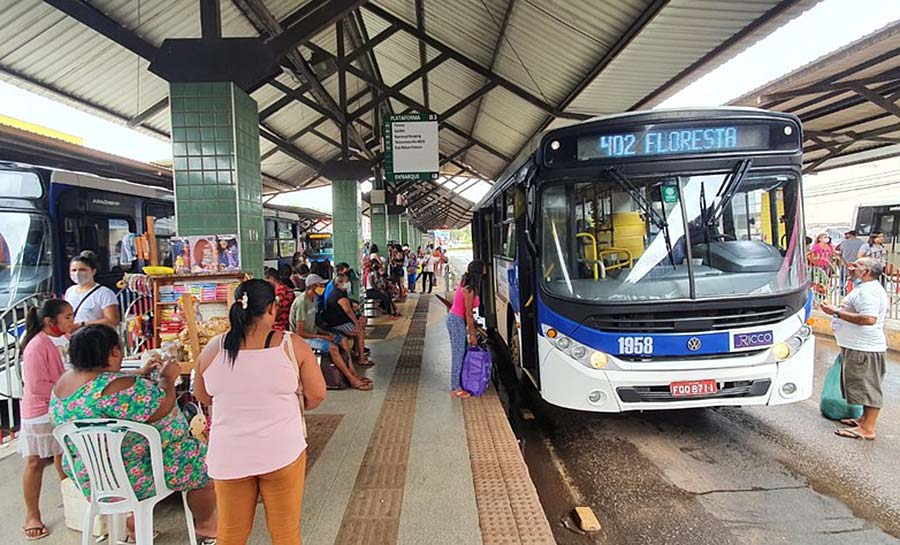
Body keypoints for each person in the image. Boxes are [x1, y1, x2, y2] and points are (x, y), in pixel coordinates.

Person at [50, 325, 217, 543]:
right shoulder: (121, 387)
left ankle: (134, 524)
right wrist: (167, 379)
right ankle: (206, 525)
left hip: (94, 477)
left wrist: (140, 374)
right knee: (208, 462)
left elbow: (105, 387)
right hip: (138, 473)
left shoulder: (62, 385)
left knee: (129, 451)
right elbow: (164, 405)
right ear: (115, 352)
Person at [194, 279, 325, 545]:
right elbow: (317, 394)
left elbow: (202, 396)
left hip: (229, 456)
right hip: (281, 452)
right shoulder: (291, 345)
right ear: (272, 309)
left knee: (231, 535)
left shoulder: (214, 348)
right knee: (285, 533)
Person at [19, 299, 74, 541]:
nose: (73, 321)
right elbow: (37, 386)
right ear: (50, 321)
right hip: (41, 410)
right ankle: (32, 515)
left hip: (64, 405)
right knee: (35, 462)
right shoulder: (36, 347)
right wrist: (69, 389)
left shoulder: (67, 339)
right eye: (68, 317)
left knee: (64, 454)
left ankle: (71, 498)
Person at [820, 258, 889, 441]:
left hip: (865, 349)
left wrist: (835, 312)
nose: (850, 268)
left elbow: (868, 319)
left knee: (868, 387)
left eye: (856, 266)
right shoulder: (863, 289)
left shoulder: (869, 292)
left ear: (866, 272)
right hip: (857, 347)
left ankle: (868, 429)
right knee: (860, 385)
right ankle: (863, 420)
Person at [289, 274, 372, 391]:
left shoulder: (313, 300)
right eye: (320, 285)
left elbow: (313, 325)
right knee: (333, 348)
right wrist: (322, 336)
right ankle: (351, 379)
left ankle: (353, 373)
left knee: (342, 339)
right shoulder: (302, 302)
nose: (322, 288)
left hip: (313, 334)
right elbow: (300, 332)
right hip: (303, 338)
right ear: (312, 287)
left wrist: (327, 334)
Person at [446, 260, 484, 398]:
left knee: (461, 351)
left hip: (456, 319)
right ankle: (455, 387)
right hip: (456, 320)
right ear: (479, 271)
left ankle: (460, 382)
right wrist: (472, 335)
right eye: (484, 268)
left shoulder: (467, 282)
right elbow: (468, 313)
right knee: (458, 353)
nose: (486, 270)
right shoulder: (469, 289)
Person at [323, 273, 373, 366]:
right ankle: (361, 358)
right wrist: (356, 324)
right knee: (360, 332)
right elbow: (348, 311)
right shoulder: (339, 294)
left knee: (362, 320)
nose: (349, 283)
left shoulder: (341, 292)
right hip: (337, 322)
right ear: (339, 283)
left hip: (341, 319)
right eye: (346, 281)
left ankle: (356, 349)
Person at [65, 251, 120, 330]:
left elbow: (113, 321)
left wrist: (82, 324)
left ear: (93, 271)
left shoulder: (104, 293)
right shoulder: (70, 291)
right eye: (74, 270)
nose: (77, 273)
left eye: (82, 270)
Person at [265, 268, 295, 332]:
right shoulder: (288, 289)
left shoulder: (279, 292)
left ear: (272, 278)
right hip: (287, 326)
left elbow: (276, 312)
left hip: (278, 327)